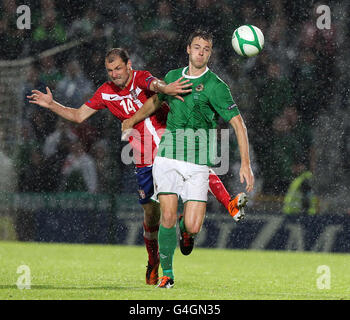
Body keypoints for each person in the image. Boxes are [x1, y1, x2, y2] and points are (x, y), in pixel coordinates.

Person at [28, 47, 245, 287]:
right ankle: (153, 261)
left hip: (170, 148)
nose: (115, 74)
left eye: (118, 68)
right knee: (152, 216)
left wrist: (167, 88)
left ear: (128, 65)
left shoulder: (141, 78)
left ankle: (226, 206)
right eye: (110, 70)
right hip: (143, 160)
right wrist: (52, 105)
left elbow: (157, 86)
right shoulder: (105, 92)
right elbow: (79, 115)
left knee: (199, 168)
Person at [122, 30, 254, 289]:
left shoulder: (217, 86)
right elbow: (155, 102)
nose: (201, 52)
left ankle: (185, 233)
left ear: (210, 53)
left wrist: (246, 163)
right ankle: (167, 274)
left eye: (206, 48)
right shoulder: (172, 77)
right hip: (168, 156)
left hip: (198, 162)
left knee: (192, 226)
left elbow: (239, 124)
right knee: (167, 217)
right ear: (188, 49)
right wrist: (133, 119)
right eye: (197, 47)